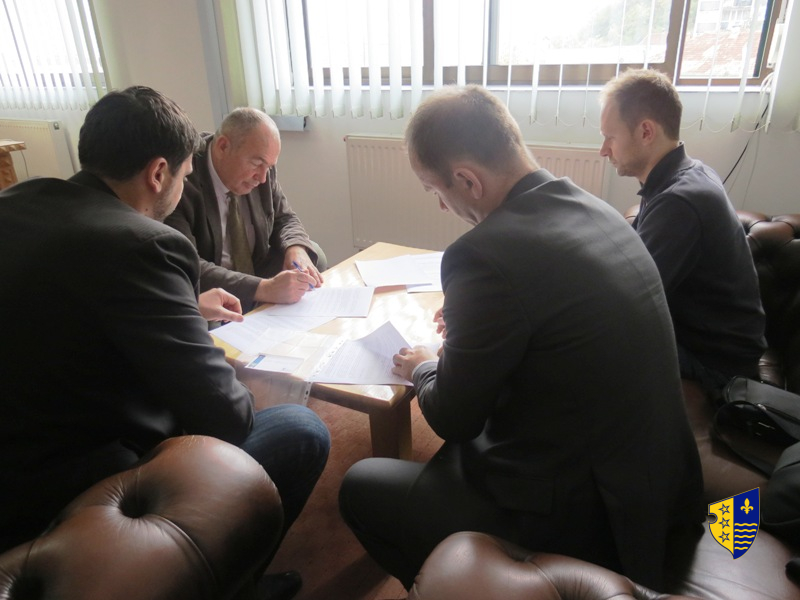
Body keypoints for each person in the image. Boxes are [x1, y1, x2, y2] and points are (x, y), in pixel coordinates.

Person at [338, 85, 704, 591]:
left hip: (585, 515)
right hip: (658, 487)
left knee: (360, 486)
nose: (442, 206)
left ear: (467, 179)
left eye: (435, 190)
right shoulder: (595, 208)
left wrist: (425, 364)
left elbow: (453, 418)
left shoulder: (482, 255)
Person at [0, 86, 329, 600]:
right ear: (159, 173)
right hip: (76, 479)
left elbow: (72, 311)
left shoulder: (16, 203)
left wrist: (185, 306)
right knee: (300, 428)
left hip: (15, 450)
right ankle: (230, 585)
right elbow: (226, 415)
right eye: (183, 172)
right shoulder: (145, 244)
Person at [599, 68, 766, 392]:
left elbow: (630, 302)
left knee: (578, 342)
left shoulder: (679, 202)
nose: (603, 150)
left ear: (646, 131)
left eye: (610, 137)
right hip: (707, 344)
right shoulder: (685, 174)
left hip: (717, 365)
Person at [165, 107, 326, 313]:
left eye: (269, 166)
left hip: (255, 266)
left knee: (313, 256)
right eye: (257, 163)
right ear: (223, 146)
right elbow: (189, 264)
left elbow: (284, 217)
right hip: (213, 283)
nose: (263, 178)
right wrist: (265, 288)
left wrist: (296, 248)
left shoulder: (264, 170)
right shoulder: (182, 178)